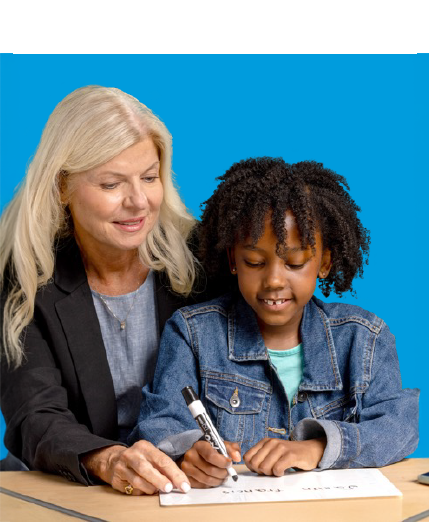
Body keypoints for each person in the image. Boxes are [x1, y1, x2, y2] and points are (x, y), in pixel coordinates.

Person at [129, 158, 419, 488]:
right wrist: (188, 454)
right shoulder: (192, 333)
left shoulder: (364, 339)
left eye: (294, 262)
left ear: (323, 262)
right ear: (233, 260)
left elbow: (400, 427)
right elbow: (158, 423)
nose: (274, 280)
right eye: (254, 262)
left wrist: (317, 447)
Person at [0, 85, 200, 495]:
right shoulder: (20, 276)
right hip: (65, 485)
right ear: (61, 187)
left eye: (149, 177)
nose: (139, 201)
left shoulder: (201, 262)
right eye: (112, 185)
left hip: (177, 487)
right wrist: (107, 458)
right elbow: (36, 415)